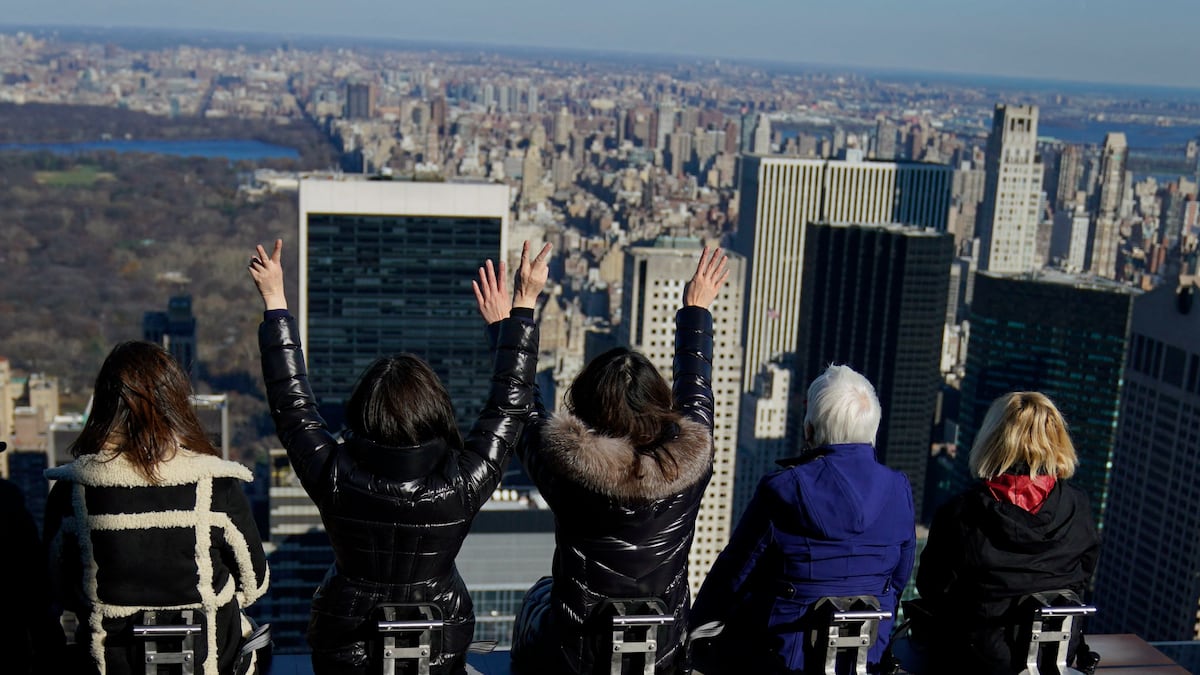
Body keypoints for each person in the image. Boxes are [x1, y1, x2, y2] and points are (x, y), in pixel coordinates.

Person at [250, 238, 549, 674]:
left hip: (345, 642)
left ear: (362, 413)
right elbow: (510, 405)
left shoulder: (334, 473)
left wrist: (275, 299)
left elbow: (292, 406)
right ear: (436, 411)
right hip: (438, 643)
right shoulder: (460, 483)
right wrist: (520, 306)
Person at [508, 246, 728, 675]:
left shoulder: (567, 472)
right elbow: (696, 390)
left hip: (576, 658)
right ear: (661, 408)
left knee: (540, 596)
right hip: (662, 654)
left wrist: (518, 311)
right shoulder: (691, 467)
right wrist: (696, 311)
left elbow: (521, 407)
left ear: (586, 409)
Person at [44, 341, 269, 675]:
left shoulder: (73, 490)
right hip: (209, 661)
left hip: (109, 663)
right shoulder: (215, 485)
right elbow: (254, 582)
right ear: (176, 402)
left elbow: (57, 584)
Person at [689, 364, 916, 674]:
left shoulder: (783, 488)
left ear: (809, 431)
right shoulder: (899, 489)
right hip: (866, 658)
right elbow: (899, 579)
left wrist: (694, 632)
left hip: (781, 658)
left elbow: (733, 577)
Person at [915, 392, 1100, 675]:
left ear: (992, 439)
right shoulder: (1080, 507)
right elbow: (1083, 576)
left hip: (976, 661)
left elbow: (932, 588)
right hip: (1053, 659)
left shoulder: (962, 514)